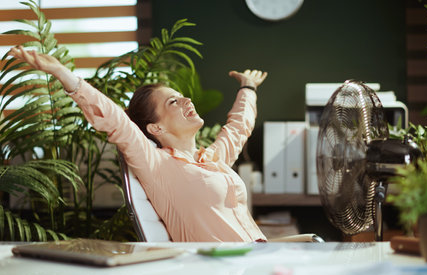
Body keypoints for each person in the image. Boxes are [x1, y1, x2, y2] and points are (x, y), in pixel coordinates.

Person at [9, 46, 268, 242]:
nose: (187, 100)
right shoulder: (157, 165)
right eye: (173, 102)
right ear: (156, 128)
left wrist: (248, 87)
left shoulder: (211, 158)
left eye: (181, 96)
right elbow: (116, 121)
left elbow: (238, 128)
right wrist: (62, 74)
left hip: (258, 261)